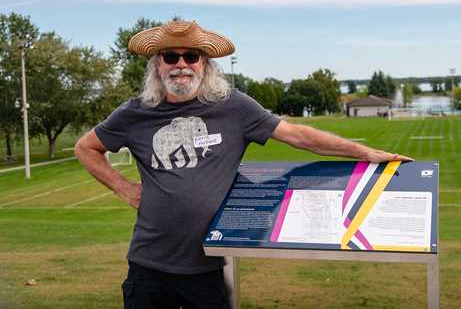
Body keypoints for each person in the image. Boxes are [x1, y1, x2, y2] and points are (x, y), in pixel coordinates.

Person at [74, 20, 413, 309]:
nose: (181, 64)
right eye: (170, 56)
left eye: (191, 56)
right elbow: (86, 147)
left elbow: (297, 135)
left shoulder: (233, 108)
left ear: (205, 64)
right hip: (148, 265)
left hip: (206, 267)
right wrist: (124, 188)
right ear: (157, 65)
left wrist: (363, 153)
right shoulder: (135, 112)